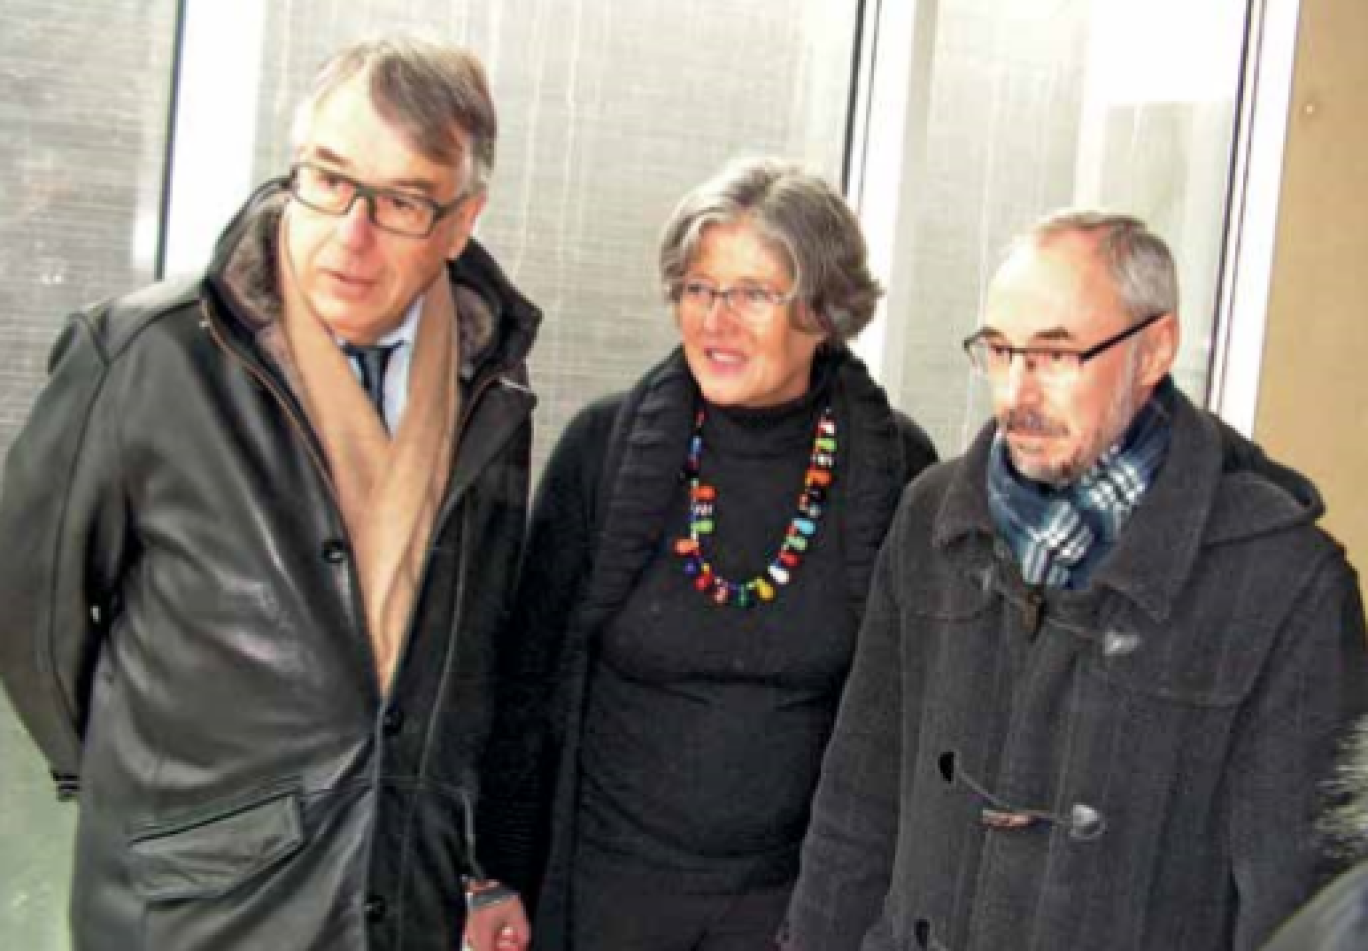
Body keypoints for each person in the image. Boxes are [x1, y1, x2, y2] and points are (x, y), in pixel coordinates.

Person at [0, 36, 539, 951]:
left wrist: (474, 865)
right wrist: (162, 789)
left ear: (461, 221)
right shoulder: (144, 356)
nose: (349, 233)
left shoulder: (495, 395)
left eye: (402, 201)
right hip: (191, 910)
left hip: (398, 900)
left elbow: (470, 663)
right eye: (327, 179)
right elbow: (28, 617)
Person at [783, 210, 1368, 951]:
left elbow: (1304, 906)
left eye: (1056, 355)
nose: (1017, 393)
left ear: (1155, 348)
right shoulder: (934, 517)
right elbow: (856, 807)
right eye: (999, 350)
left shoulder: (1284, 580)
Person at [474, 157, 937, 951]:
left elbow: (917, 717)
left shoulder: (896, 468)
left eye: (754, 293)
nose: (716, 319)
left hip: (795, 909)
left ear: (824, 311)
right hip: (605, 896)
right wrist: (493, 873)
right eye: (698, 288)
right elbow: (522, 684)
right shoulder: (602, 450)